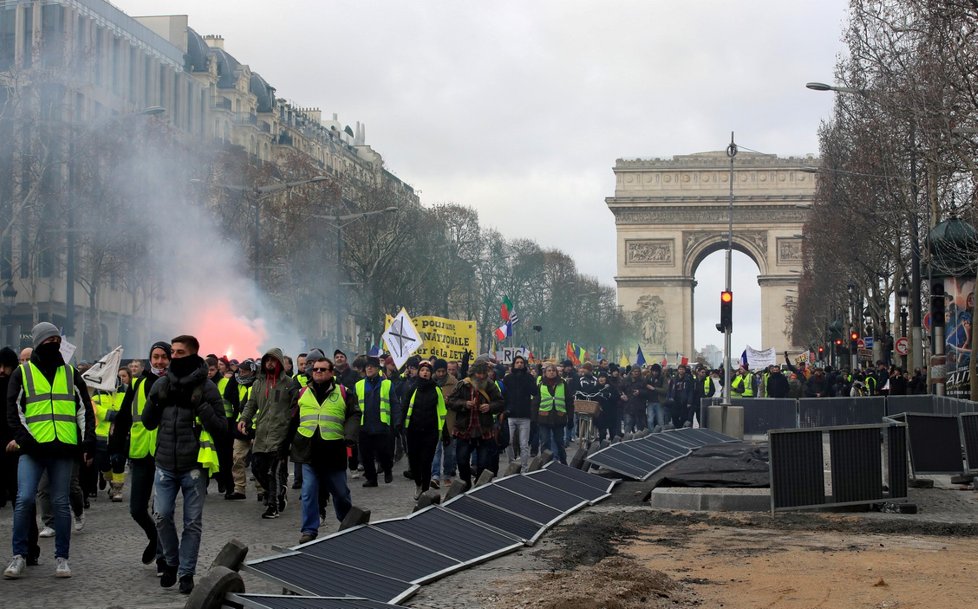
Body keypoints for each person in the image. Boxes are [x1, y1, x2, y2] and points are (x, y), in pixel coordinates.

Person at [5, 322, 96, 579]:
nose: (52, 344)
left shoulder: (70, 373)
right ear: (38, 343)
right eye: (48, 340)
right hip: (33, 449)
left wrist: (87, 443)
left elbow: (84, 410)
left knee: (60, 503)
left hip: (64, 449)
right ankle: (19, 556)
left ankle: (62, 558)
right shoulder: (22, 374)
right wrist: (26, 440)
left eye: (56, 339)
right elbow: (14, 412)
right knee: (24, 500)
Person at [142, 335, 226, 594]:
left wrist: (200, 405)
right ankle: (171, 561)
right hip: (165, 463)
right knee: (162, 516)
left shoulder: (208, 387)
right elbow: (148, 422)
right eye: (172, 353)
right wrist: (155, 400)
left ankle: (186, 573)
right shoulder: (162, 383)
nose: (173, 357)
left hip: (193, 466)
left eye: (179, 353)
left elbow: (222, 428)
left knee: (192, 522)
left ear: (192, 355)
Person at [110, 341, 170, 569]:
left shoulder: (174, 383)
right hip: (140, 453)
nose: (159, 361)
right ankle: (154, 539)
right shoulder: (138, 383)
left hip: (165, 454)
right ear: (150, 359)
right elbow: (124, 416)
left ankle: (163, 560)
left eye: (164, 357)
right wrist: (115, 448)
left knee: (162, 511)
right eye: (155, 357)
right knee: (136, 509)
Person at [286, 357, 358, 543]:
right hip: (308, 452)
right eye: (315, 369)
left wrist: (350, 436)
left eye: (323, 369)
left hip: (334, 451)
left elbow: (354, 415)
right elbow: (291, 419)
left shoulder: (344, 393)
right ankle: (309, 530)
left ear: (331, 372)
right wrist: (284, 444)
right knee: (309, 491)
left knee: (341, 493)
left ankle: (348, 523)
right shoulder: (302, 393)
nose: (318, 372)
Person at [238, 348, 299, 520]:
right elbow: (251, 405)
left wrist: (291, 426)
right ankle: (279, 492)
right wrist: (244, 419)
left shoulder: (289, 383)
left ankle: (273, 506)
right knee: (257, 469)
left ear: (279, 362)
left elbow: (297, 405)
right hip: (262, 432)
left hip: (280, 433)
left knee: (274, 471)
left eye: (273, 360)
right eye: (267, 361)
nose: (270, 363)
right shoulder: (258, 383)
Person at [448, 358, 504, 487]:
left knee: (483, 463)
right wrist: (464, 404)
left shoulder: (490, 385)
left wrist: (490, 407)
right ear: (473, 373)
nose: (481, 376)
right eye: (479, 373)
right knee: (462, 461)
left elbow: (500, 403)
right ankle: (465, 484)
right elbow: (451, 401)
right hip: (464, 430)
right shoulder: (463, 384)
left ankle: (478, 486)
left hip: (483, 430)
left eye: (484, 373)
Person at [404, 360, 449, 498]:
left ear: (431, 374)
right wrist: (400, 425)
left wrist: (445, 433)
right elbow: (405, 407)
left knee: (426, 461)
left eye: (428, 371)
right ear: (419, 372)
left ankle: (424, 489)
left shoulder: (436, 390)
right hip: (413, 431)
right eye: (422, 370)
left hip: (430, 432)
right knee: (414, 462)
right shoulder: (412, 388)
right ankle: (418, 483)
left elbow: (442, 412)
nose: (425, 372)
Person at [354, 356, 398, 488]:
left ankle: (387, 469)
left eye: (371, 366)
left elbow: (394, 404)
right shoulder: (359, 385)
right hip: (365, 425)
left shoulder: (387, 384)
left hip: (382, 424)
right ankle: (371, 478)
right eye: (367, 367)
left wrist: (397, 421)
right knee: (366, 454)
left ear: (378, 369)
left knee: (384, 452)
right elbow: (354, 405)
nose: (369, 368)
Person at [503, 355, 536, 473]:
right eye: (517, 362)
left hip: (524, 415)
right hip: (510, 415)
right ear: (513, 364)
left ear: (524, 364)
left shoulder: (529, 377)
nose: (519, 364)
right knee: (508, 442)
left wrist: (528, 379)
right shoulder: (508, 378)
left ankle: (524, 467)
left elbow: (535, 392)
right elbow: (504, 395)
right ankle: (512, 464)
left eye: (521, 362)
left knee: (524, 444)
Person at [430, 358, 457, 487]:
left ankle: (447, 475)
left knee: (449, 451)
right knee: (436, 450)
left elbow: (459, 402)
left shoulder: (454, 383)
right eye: (438, 371)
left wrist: (449, 402)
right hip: (434, 421)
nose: (441, 374)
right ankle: (435, 475)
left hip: (449, 421)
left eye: (443, 371)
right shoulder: (430, 382)